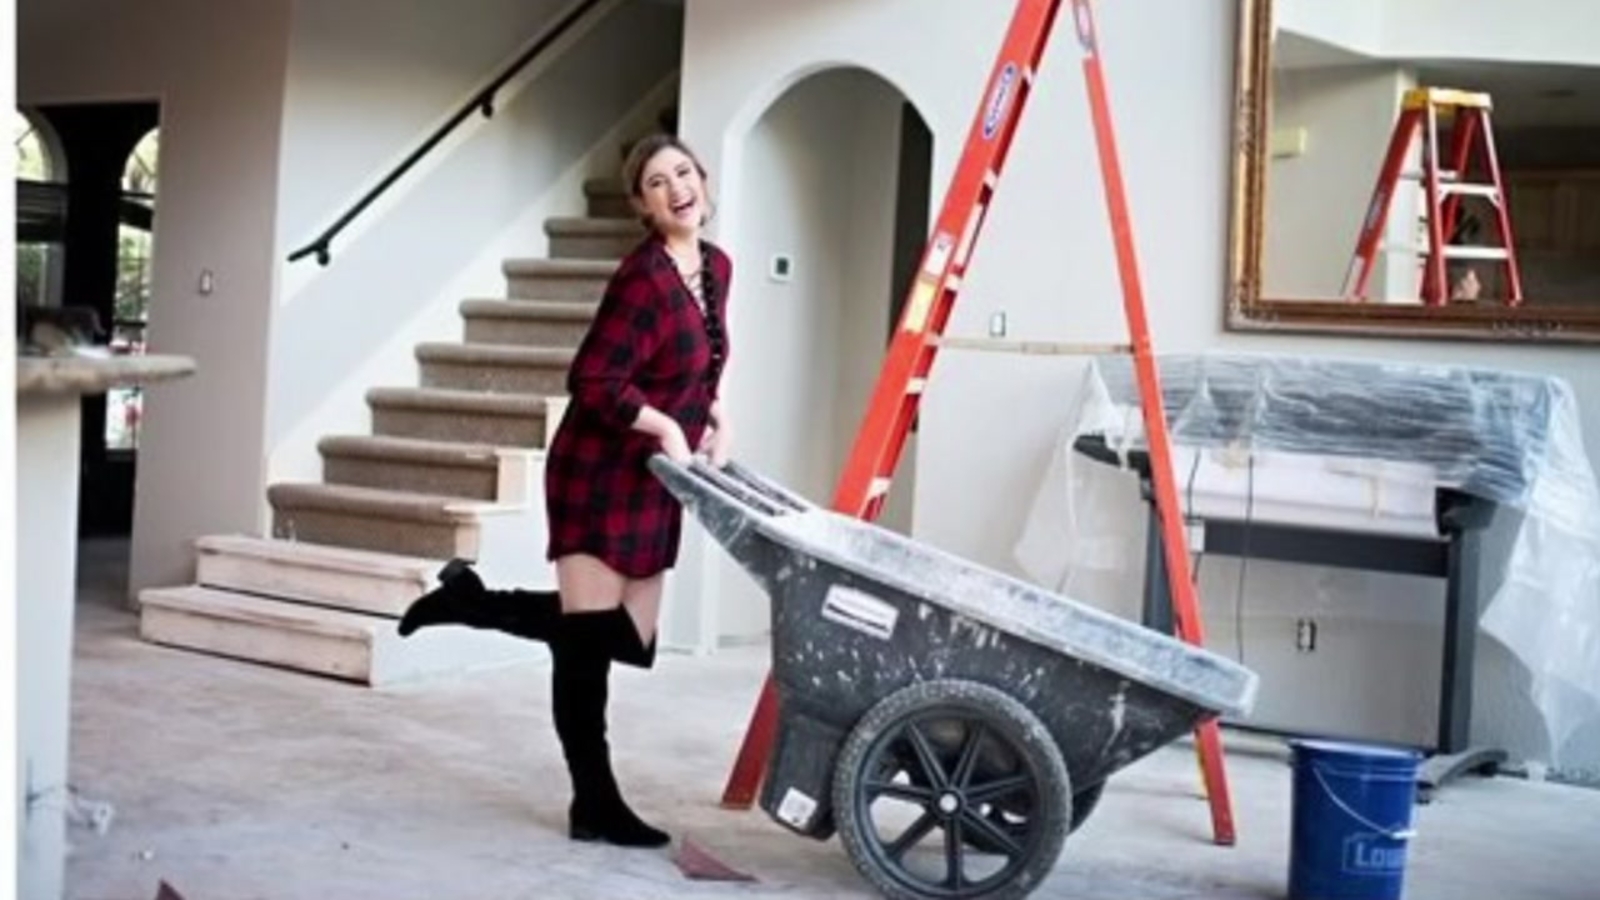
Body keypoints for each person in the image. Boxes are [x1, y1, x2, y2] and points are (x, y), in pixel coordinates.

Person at [395, 133, 732, 849]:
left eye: (683, 172)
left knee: (629, 639)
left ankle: (470, 601)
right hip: (599, 469)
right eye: (657, 182)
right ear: (642, 204)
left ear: (702, 179)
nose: (676, 188)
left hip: (650, 477)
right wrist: (667, 428)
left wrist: (713, 416)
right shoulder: (642, 278)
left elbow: (698, 361)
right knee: (586, 651)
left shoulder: (715, 266)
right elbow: (594, 380)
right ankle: (595, 804)